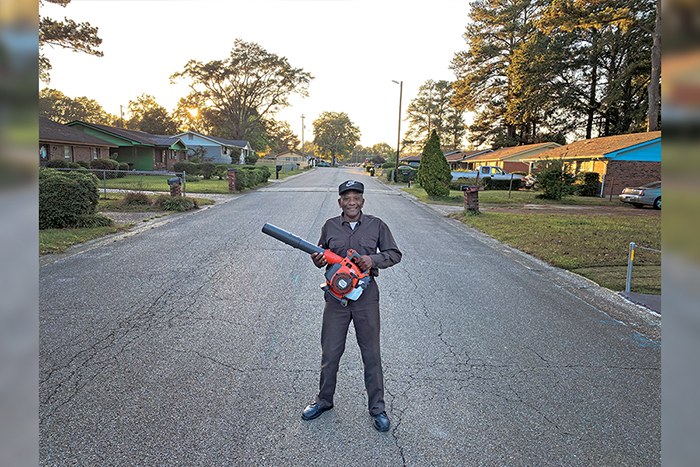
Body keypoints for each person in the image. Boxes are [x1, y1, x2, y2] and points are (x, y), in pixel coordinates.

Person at [302, 180, 402, 432]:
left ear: (362, 201)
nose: (351, 202)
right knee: (330, 352)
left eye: (356, 197)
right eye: (346, 198)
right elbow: (321, 255)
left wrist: (373, 259)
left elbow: (394, 253)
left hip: (366, 299)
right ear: (340, 202)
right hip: (336, 299)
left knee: (371, 355)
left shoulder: (376, 225)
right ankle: (324, 401)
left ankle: (377, 409)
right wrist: (317, 259)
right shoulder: (330, 226)